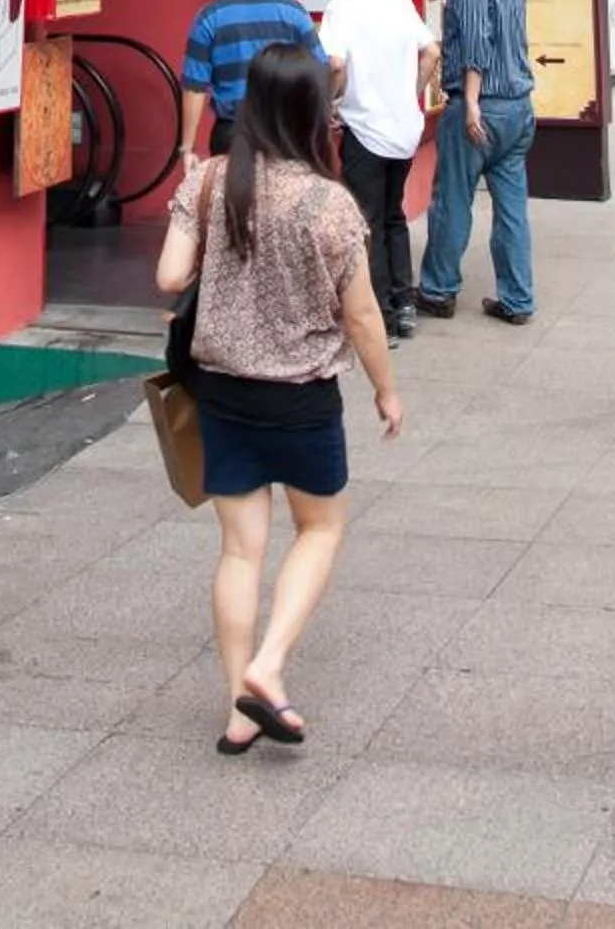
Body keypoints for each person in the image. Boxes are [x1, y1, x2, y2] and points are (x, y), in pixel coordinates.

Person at [156, 43, 400, 751]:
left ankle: (239, 712)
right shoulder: (329, 205)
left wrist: (216, 246)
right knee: (320, 529)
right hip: (301, 397)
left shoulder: (207, 181)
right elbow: (361, 316)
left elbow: (171, 276)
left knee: (239, 551)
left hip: (222, 392)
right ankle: (266, 667)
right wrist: (387, 392)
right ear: (315, 112)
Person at [414, 0, 536, 323]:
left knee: (451, 199)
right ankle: (518, 298)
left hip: (481, 105)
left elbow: (478, 39)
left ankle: (438, 289)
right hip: (519, 105)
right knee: (512, 208)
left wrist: (469, 102)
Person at [319, 0, 437, 343]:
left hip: (365, 132)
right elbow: (432, 52)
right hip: (404, 131)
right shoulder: (399, 0)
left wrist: (329, 104)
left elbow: (334, 64)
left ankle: (382, 316)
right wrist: (411, 93)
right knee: (393, 214)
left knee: (366, 222)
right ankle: (404, 304)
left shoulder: (339, 10)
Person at [180, 0, 323, 163]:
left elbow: (195, 87)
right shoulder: (293, 12)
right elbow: (319, 70)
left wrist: (187, 148)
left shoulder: (208, 17)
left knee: (236, 200)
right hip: (285, 133)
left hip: (231, 135)